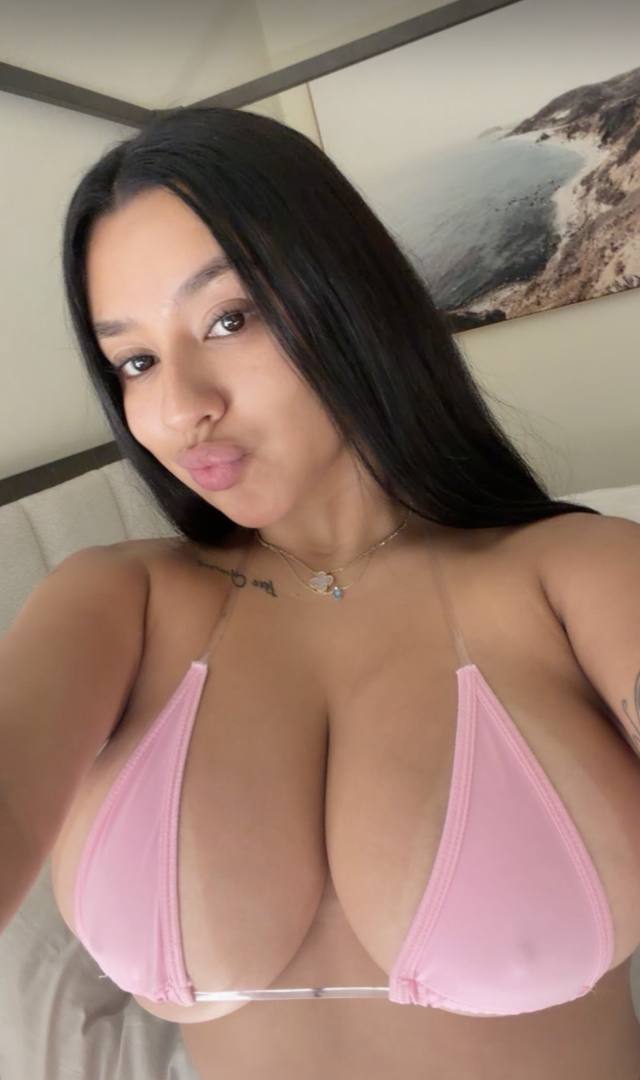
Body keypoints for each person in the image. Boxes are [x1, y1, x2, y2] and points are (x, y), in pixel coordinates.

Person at [50, 105, 640, 1078]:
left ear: (349, 299)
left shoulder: (581, 576)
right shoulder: (113, 601)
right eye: (136, 361)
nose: (181, 407)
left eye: (229, 318)